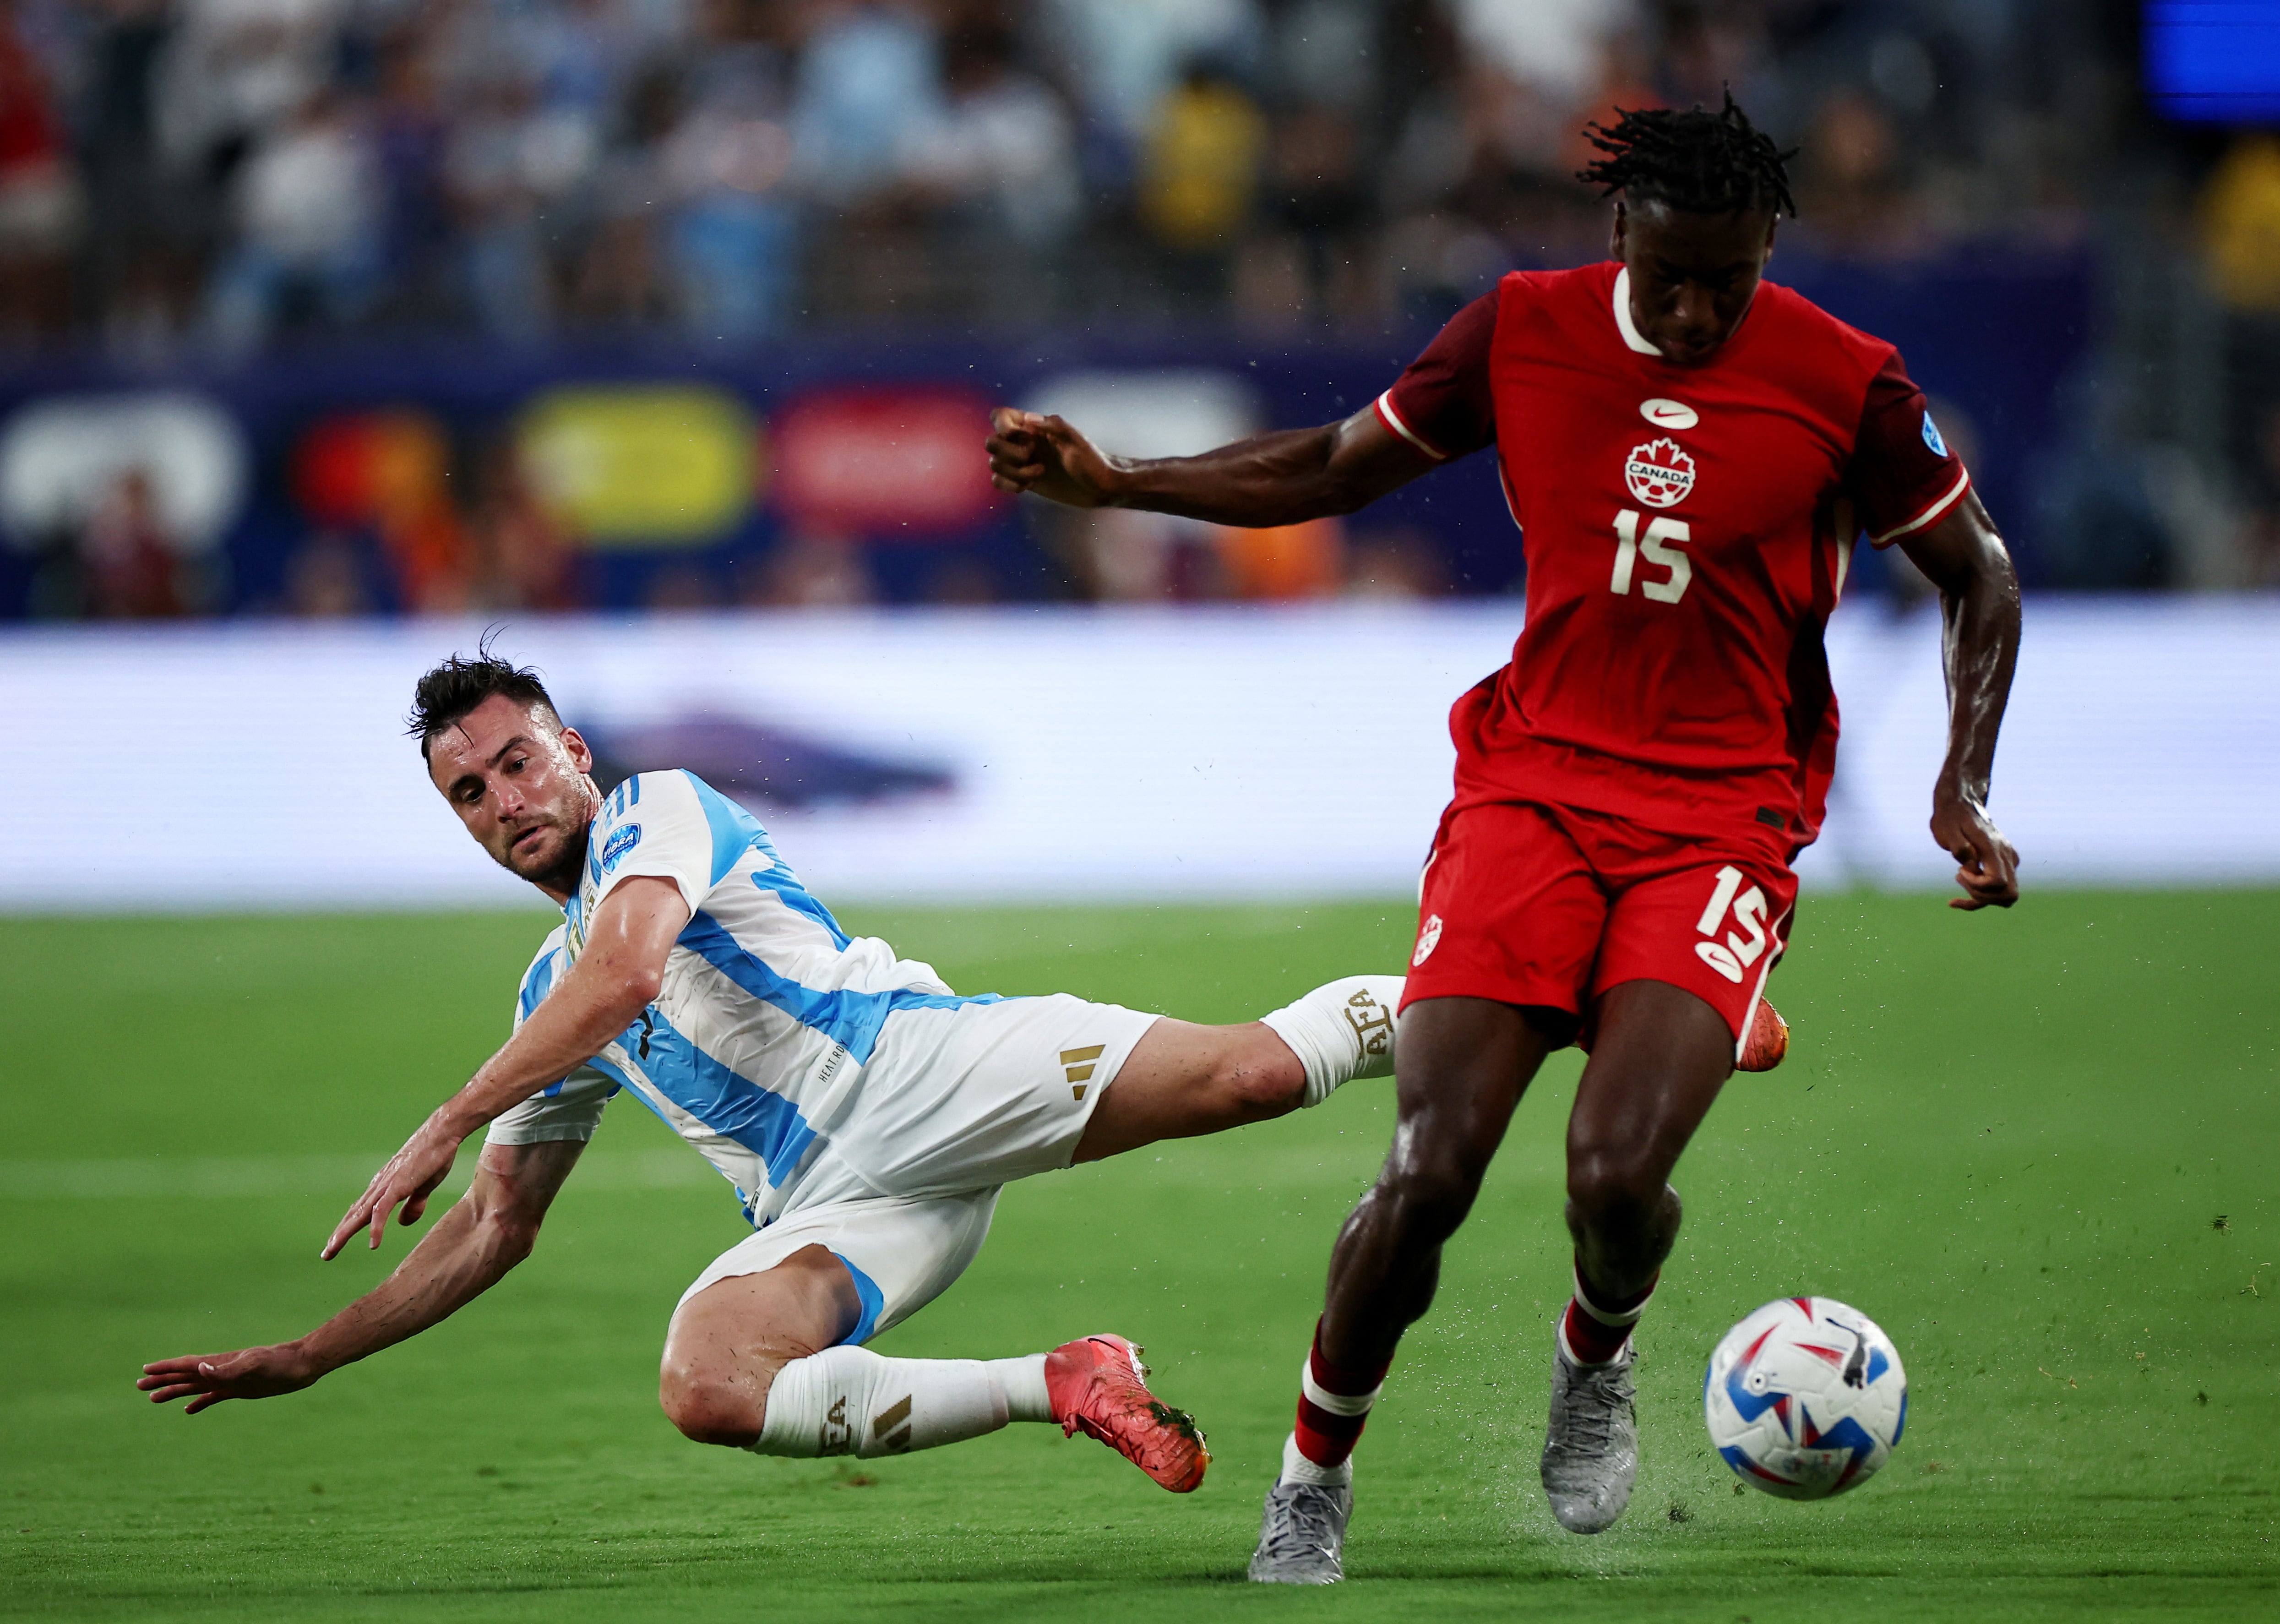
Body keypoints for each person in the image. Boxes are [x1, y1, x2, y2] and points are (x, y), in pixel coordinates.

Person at [985, 94, 2021, 1580]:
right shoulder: (1521, 329)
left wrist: (1959, 785)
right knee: (1428, 1169)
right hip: (1526, 795)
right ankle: (1311, 1475)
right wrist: (1122, 484)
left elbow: (1979, 578)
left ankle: (1594, 1355)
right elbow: (1335, 466)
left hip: (1722, 822)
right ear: (1619, 231)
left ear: (1766, 249)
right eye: (1668, 274)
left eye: (1725, 280)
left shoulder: (1844, 380)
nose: (1692, 306)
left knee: (1609, 1173)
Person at [140, 650, 1407, 1496]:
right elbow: (490, 1223)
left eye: (517, 760)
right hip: (841, 1211)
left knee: (1249, 1074)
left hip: (924, 1070)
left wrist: (443, 1116)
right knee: (707, 1382)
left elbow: (629, 973)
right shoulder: (543, 1001)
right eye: (469, 792)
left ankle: (1481, 995)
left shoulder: (656, 811)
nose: (503, 799)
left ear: (571, 747)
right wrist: (312, 1354)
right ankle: (1065, 1379)